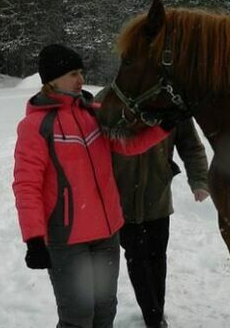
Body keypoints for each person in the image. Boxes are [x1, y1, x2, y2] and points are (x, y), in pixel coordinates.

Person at [13, 44, 169, 328]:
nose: (81, 80)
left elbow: (127, 144)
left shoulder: (94, 113)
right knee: (77, 318)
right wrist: (34, 238)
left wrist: (163, 127)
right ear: (51, 79)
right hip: (67, 239)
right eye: (73, 74)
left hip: (107, 233)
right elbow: (27, 185)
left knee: (105, 311)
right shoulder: (35, 126)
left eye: (81, 72)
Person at [95, 85, 209, 328]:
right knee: (136, 256)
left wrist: (199, 179)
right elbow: (92, 148)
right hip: (119, 198)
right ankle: (153, 316)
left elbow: (191, 145)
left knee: (157, 256)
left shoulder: (171, 103)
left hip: (157, 195)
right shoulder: (107, 100)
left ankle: (156, 310)